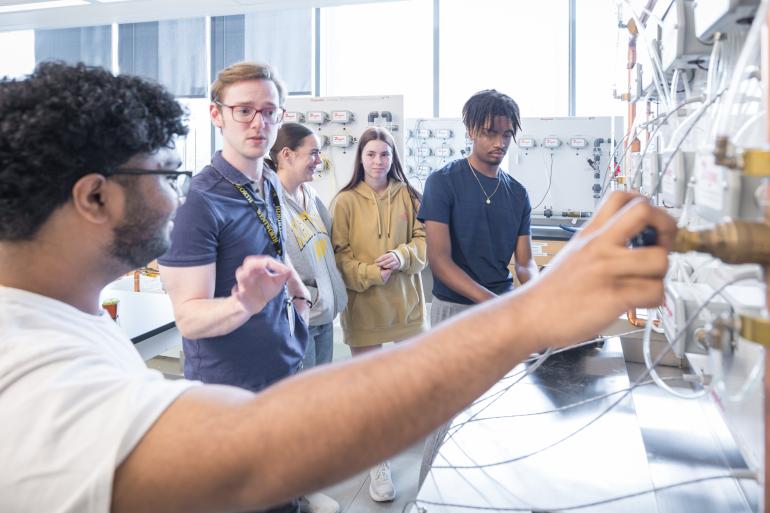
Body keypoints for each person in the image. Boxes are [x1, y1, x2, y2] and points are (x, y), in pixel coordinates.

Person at [0, 62, 676, 513]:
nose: (176, 198)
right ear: (93, 196)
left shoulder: (63, 318)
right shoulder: (29, 380)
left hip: (285, 359)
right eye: (162, 175)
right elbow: (250, 451)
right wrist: (531, 312)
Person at [156, 62, 319, 513]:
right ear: (216, 115)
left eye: (269, 111)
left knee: (282, 491)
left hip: (281, 368)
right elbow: (189, 317)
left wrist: (298, 294)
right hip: (230, 390)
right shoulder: (200, 204)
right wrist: (244, 303)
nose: (258, 123)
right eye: (244, 110)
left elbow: (274, 243)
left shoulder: (266, 180)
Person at [416, 89, 538, 482]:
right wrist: (493, 302)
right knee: (446, 414)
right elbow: (440, 261)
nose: (499, 143)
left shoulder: (517, 194)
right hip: (454, 311)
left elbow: (524, 261)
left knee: (495, 411)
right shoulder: (443, 182)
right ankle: (427, 499)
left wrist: (534, 293)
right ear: (470, 130)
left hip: (498, 311)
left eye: (506, 134)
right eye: (490, 133)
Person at [330, 127, 428, 502]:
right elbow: (338, 256)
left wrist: (403, 256)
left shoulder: (409, 195)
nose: (377, 162)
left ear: (393, 158)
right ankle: (378, 462)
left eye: (384, 155)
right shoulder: (344, 202)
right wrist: (371, 273)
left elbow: (424, 241)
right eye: (370, 155)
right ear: (360, 158)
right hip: (365, 307)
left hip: (406, 306)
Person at [271, 123, 347, 371]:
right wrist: (307, 296)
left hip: (324, 315)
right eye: (313, 153)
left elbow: (328, 244)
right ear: (287, 155)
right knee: (305, 399)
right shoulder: (271, 204)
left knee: (321, 396)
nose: (318, 160)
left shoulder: (310, 195)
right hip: (300, 319)